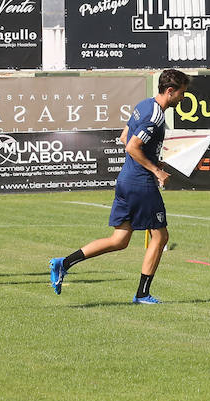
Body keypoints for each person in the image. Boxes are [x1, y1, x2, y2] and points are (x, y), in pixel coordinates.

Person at [49, 70, 190, 303]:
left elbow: (125, 136)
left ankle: (63, 263)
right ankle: (142, 294)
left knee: (119, 240)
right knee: (160, 237)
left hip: (126, 179)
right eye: (182, 93)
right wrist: (156, 170)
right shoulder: (154, 116)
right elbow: (131, 146)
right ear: (170, 91)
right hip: (140, 183)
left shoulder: (144, 105)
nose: (183, 98)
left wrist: (153, 158)